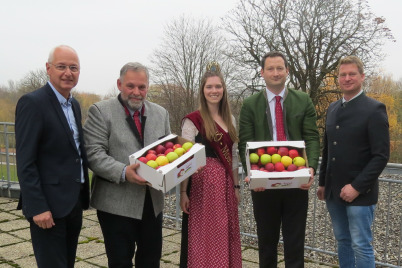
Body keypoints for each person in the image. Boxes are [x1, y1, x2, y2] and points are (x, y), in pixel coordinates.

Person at [83, 62, 170, 268]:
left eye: (142, 87)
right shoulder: (100, 111)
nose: (136, 92)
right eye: (130, 86)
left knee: (150, 261)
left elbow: (168, 151)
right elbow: (93, 154)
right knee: (120, 262)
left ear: (148, 87)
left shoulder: (161, 113)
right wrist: (123, 172)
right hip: (116, 205)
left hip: (152, 202)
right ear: (119, 84)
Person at [238, 51, 320, 268]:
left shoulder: (303, 100)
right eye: (271, 69)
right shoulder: (250, 104)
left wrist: (311, 167)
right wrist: (251, 175)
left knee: (295, 244)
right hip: (264, 183)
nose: (276, 73)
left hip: (296, 181)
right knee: (266, 244)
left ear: (287, 71)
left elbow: (312, 136)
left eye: (280, 68)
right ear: (262, 72)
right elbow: (244, 144)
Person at [15, 45, 90, 268]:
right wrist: (37, 207)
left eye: (74, 68)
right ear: (48, 68)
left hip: (73, 202)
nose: (68, 72)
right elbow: (26, 161)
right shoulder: (33, 103)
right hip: (47, 207)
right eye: (61, 66)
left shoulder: (74, 105)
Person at [317, 56, 389, 268]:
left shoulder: (374, 109)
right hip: (333, 192)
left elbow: (381, 155)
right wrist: (323, 183)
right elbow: (327, 149)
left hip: (360, 195)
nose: (347, 78)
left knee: (361, 245)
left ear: (362, 77)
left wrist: (356, 187)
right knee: (343, 242)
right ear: (338, 78)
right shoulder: (332, 108)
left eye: (352, 74)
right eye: (343, 75)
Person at [179, 63, 242, 268]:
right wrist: (183, 192)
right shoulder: (193, 120)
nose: (214, 91)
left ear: (223, 90)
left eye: (218, 87)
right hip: (202, 185)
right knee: (204, 234)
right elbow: (185, 159)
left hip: (224, 186)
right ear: (202, 90)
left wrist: (236, 186)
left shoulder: (230, 119)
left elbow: (233, 157)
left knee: (225, 232)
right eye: (209, 87)